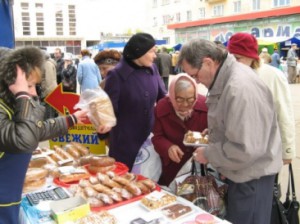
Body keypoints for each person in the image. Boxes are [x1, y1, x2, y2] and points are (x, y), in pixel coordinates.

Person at [178, 39, 282, 224]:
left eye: (195, 75)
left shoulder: (239, 87)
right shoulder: (227, 78)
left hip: (251, 178)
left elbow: (246, 148)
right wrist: (216, 132)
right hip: (243, 174)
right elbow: (240, 126)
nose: (197, 82)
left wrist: (209, 153)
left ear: (208, 63)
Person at [0, 47, 88, 224]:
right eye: (29, 86)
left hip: (10, 195)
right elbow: (23, 139)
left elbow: (35, 129)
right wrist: (23, 95)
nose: (33, 93)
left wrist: (71, 120)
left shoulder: (9, 107)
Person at [99, 33, 167, 170]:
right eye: (152, 51)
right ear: (139, 52)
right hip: (125, 141)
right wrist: (104, 126)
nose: (155, 55)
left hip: (149, 137)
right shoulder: (116, 75)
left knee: (148, 178)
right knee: (124, 181)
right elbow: (108, 109)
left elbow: (162, 97)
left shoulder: (152, 68)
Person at [227, 32, 296, 166]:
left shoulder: (273, 76)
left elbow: (284, 114)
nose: (234, 63)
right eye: (231, 58)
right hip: (236, 153)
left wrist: (287, 151)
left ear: (251, 56)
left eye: (238, 58)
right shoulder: (230, 75)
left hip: (266, 153)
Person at [152, 73, 208, 186]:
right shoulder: (161, 107)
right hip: (173, 166)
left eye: (190, 99)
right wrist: (168, 147)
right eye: (179, 99)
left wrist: (209, 135)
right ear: (172, 95)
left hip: (200, 165)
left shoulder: (206, 105)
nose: (185, 104)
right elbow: (157, 137)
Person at [40, 50, 58, 119]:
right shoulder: (48, 63)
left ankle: (50, 128)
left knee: (49, 113)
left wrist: (46, 93)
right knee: (50, 111)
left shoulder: (47, 64)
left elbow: (49, 80)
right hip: (51, 90)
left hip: (49, 92)